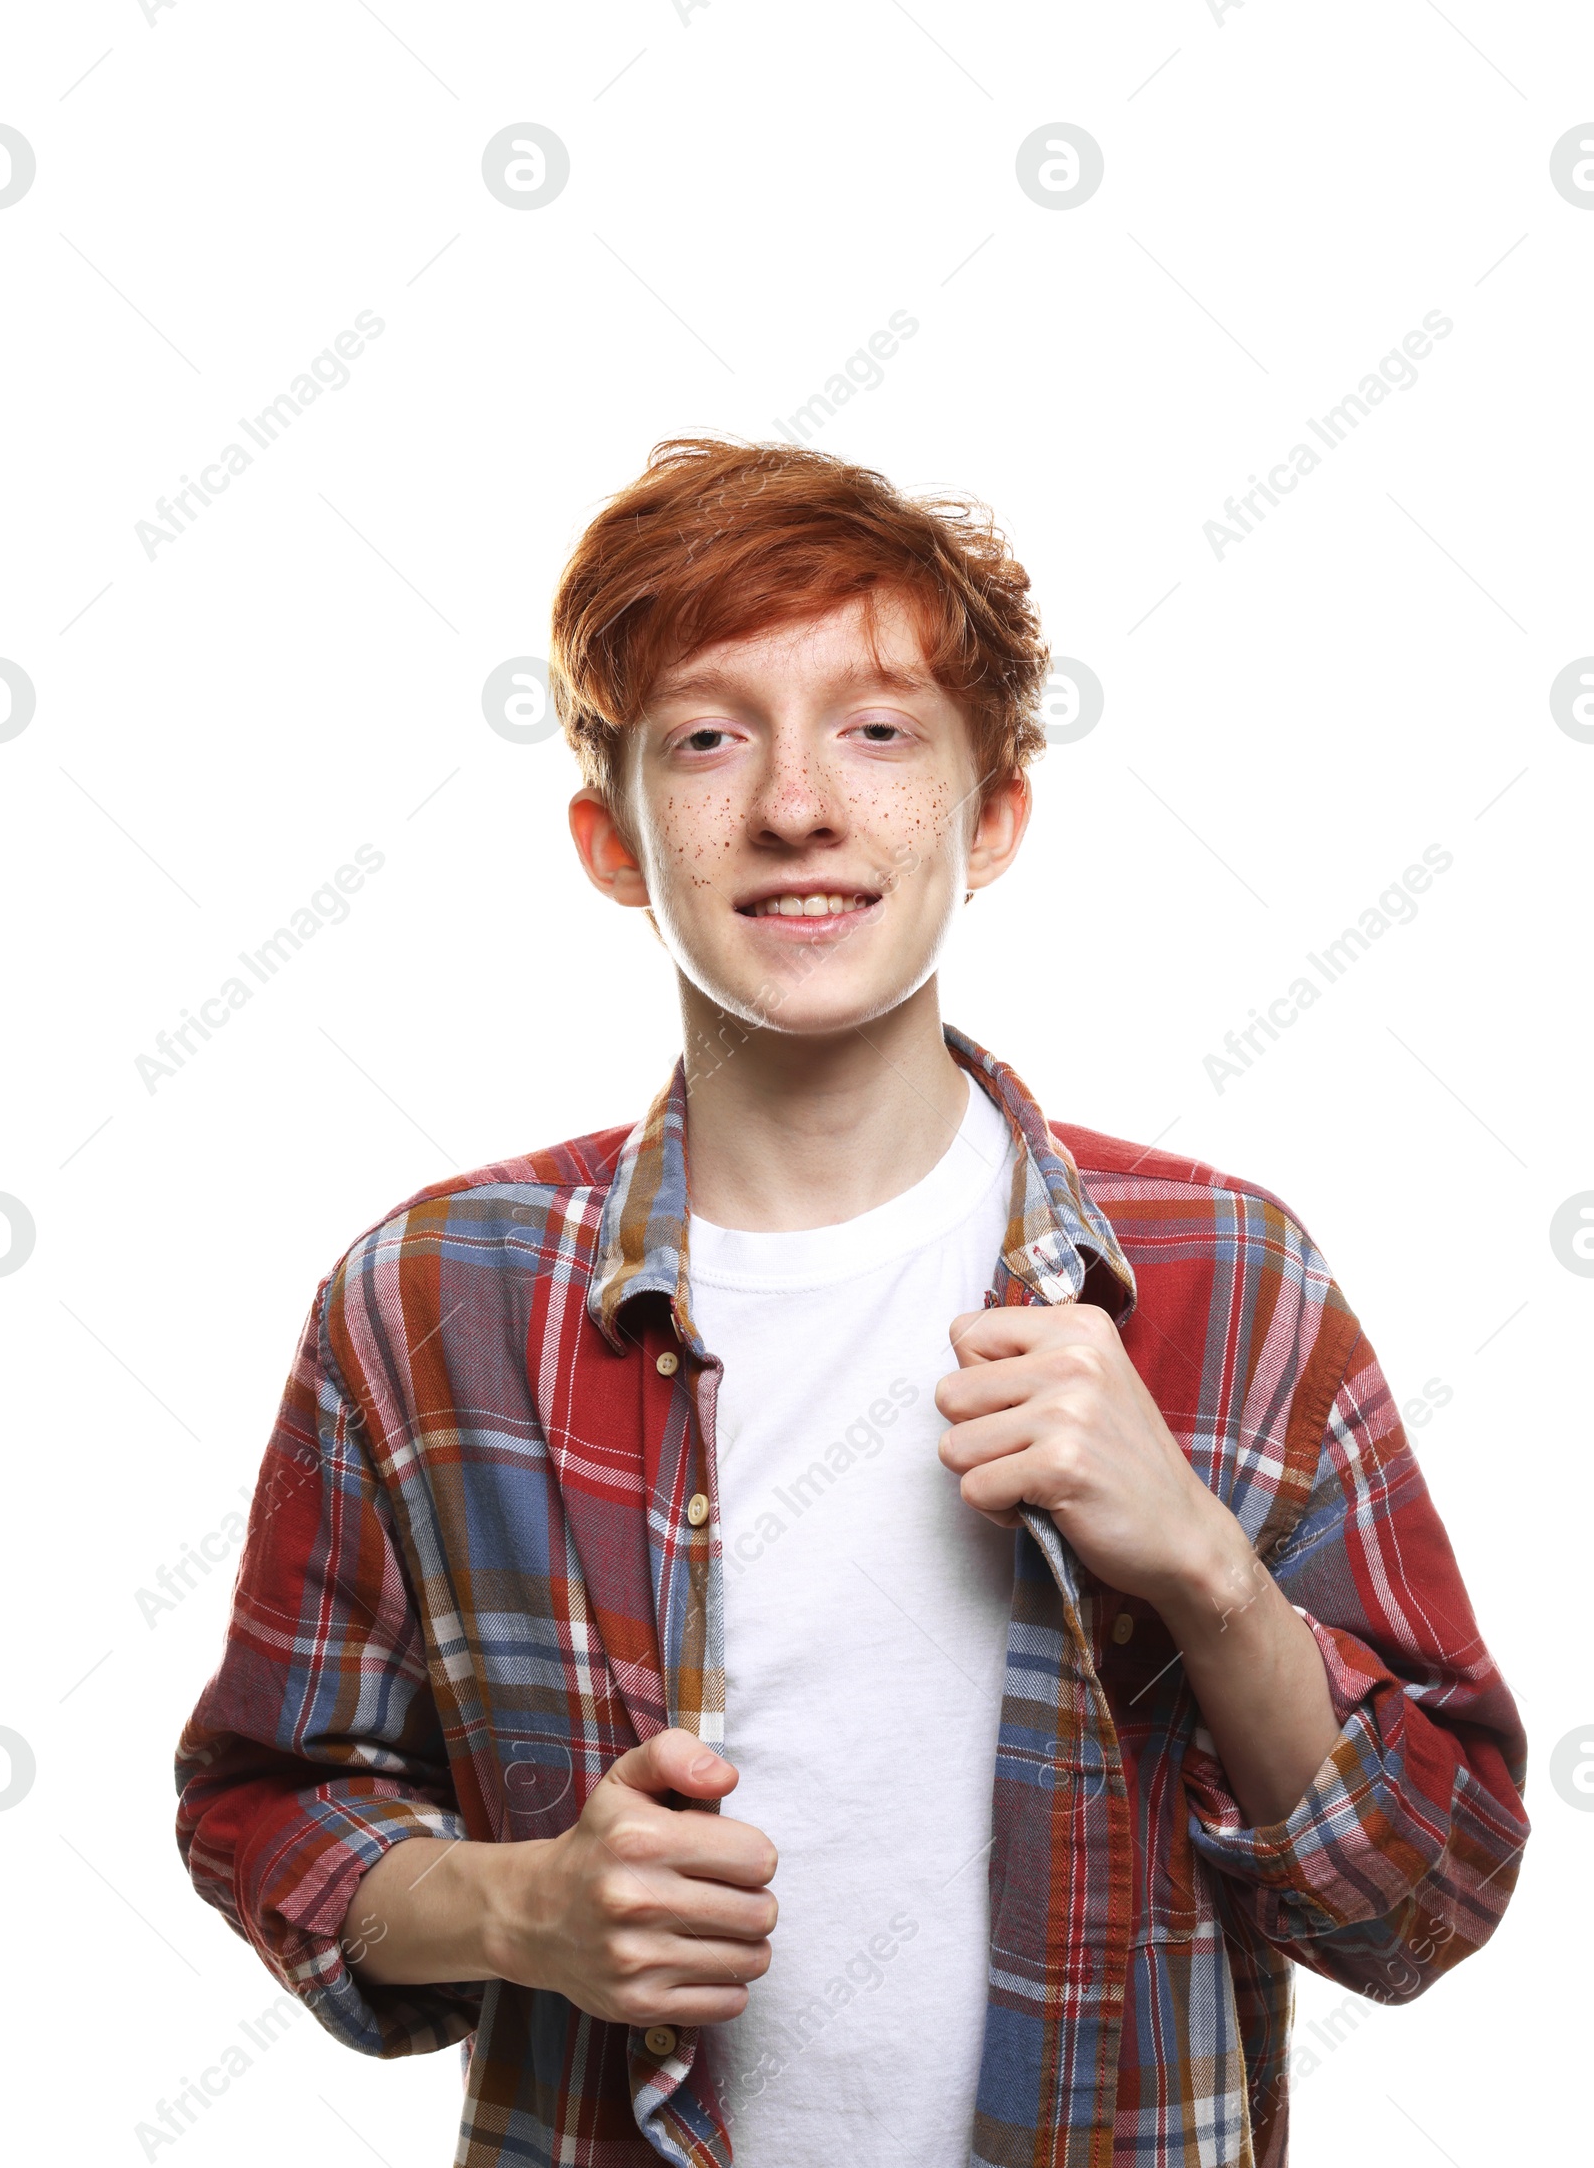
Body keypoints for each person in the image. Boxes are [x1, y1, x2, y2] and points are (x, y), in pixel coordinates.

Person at [175, 437, 1528, 2168]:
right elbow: (266, 1807)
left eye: (879, 730)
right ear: (610, 838)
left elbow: (1428, 1903)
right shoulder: (432, 1297)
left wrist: (1201, 1564)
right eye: (709, 735)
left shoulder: (1227, 1280)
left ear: (995, 815)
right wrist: (526, 1914)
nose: (799, 804)